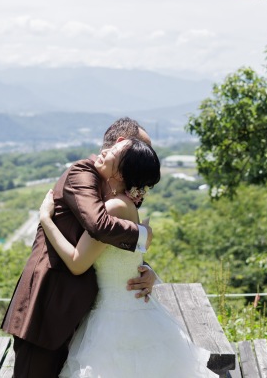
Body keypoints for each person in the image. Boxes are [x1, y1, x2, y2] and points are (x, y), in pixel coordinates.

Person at [38, 138, 220, 377]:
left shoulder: (113, 207)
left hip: (116, 319)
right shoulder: (126, 205)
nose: (105, 151)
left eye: (115, 151)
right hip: (130, 310)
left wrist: (45, 220)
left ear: (123, 173)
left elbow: (77, 262)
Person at [1, 118, 158, 378]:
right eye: (142, 149)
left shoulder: (117, 195)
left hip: (85, 312)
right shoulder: (82, 173)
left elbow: (110, 250)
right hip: (49, 305)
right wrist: (142, 235)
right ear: (122, 145)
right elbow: (98, 225)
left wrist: (146, 269)